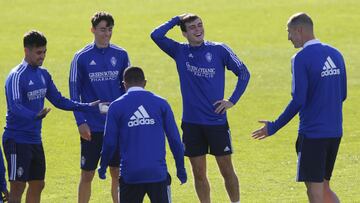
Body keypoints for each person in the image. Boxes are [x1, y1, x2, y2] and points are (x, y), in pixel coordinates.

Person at [151, 13, 250, 203]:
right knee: (198, 173)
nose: (198, 30)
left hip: (216, 121)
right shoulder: (178, 51)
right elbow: (156, 35)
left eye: (200, 25)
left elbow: (244, 73)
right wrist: (175, 19)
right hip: (191, 124)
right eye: (193, 28)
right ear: (184, 33)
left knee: (226, 170)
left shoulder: (220, 50)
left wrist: (232, 100)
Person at [252, 12, 346, 203]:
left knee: (314, 191)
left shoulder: (300, 58)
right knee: (324, 187)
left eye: (289, 32)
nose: (288, 37)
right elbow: (342, 94)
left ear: (299, 30)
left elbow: (299, 100)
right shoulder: (336, 54)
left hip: (312, 135)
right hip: (335, 132)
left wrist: (273, 126)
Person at [2, 30, 101, 203]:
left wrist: (87, 106)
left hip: (34, 139)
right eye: (38, 53)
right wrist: (34, 116)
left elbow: (59, 100)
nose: (42, 56)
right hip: (16, 140)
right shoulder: (17, 76)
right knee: (17, 186)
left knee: (38, 184)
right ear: (26, 51)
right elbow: (15, 106)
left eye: (45, 52)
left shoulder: (43, 74)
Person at [98, 66, 187, 203]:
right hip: (157, 174)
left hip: (130, 175)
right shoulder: (161, 103)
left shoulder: (116, 106)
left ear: (124, 84)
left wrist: (103, 166)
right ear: (145, 82)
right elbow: (175, 140)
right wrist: (180, 169)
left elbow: (109, 142)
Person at [69, 11, 130, 203]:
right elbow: (74, 92)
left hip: (116, 125)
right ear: (93, 30)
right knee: (87, 175)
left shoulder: (121, 55)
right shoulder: (81, 57)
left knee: (117, 173)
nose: (107, 34)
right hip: (92, 126)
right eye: (103, 30)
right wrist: (81, 122)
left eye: (110, 29)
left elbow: (129, 88)